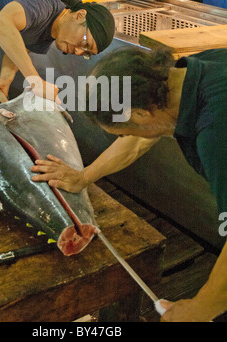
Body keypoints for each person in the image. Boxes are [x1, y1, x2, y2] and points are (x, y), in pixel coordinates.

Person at [31, 47, 227, 322]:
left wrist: (200, 308)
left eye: (125, 130)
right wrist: (83, 176)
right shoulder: (188, 72)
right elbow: (142, 136)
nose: (128, 136)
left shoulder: (216, 133)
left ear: (142, 114)